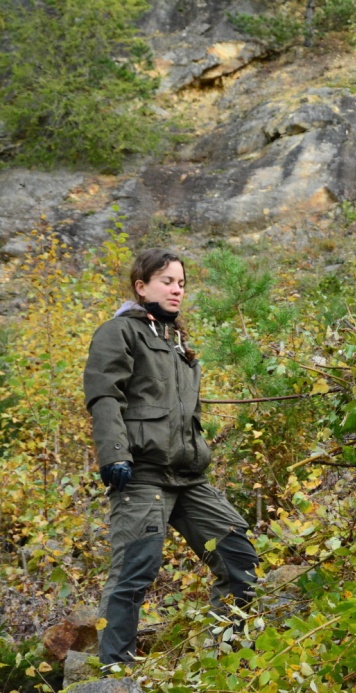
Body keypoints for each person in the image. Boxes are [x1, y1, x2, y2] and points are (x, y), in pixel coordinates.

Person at [84, 248, 259, 666]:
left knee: (238, 554)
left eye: (181, 283)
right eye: (167, 281)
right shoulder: (119, 332)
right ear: (141, 287)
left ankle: (222, 657)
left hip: (188, 477)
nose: (177, 289)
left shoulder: (178, 342)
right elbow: (104, 394)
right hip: (141, 474)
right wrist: (114, 454)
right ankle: (114, 672)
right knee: (134, 570)